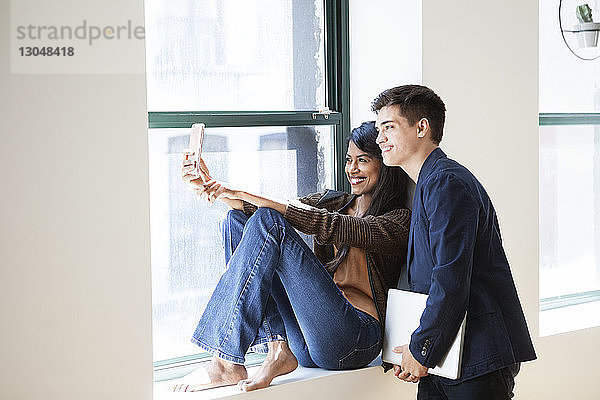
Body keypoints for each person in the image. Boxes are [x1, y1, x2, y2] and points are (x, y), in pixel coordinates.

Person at [172, 121, 411, 392]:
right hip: (308, 336)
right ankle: (278, 349)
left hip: (354, 339)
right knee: (236, 219)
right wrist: (215, 187)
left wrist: (234, 190)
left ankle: (225, 362)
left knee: (268, 220)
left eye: (363, 160)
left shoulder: (398, 220)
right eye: (348, 160)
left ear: (385, 164)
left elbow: (325, 224)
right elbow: (267, 209)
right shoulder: (334, 201)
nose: (352, 169)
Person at [372, 85, 536, 399]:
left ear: (422, 127)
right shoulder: (427, 185)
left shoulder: (446, 183)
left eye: (389, 127)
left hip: (475, 358)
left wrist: (421, 349)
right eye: (379, 129)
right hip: (448, 358)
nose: (380, 138)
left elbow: (450, 278)